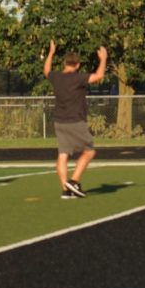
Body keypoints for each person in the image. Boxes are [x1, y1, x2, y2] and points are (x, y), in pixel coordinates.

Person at [44, 41, 108, 198]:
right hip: (75, 121)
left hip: (60, 120)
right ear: (78, 65)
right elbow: (99, 76)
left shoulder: (57, 77)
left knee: (63, 154)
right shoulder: (79, 78)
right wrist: (103, 59)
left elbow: (46, 71)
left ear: (65, 63)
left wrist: (51, 52)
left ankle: (66, 190)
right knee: (89, 151)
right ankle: (73, 181)